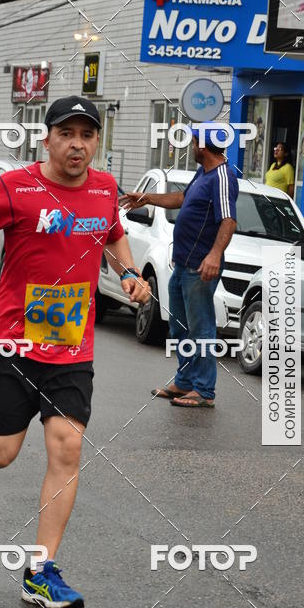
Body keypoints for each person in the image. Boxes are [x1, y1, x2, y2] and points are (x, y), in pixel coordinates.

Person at [0, 96, 150, 608]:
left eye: (87, 135)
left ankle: (40, 571)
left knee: (67, 449)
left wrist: (128, 273)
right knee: (2, 452)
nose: (77, 145)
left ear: (96, 141)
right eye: (67, 134)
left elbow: (112, 236)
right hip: (14, 342)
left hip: (72, 347)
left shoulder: (104, 188)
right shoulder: (15, 187)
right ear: (46, 139)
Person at [122, 125, 237, 408]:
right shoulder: (204, 173)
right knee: (179, 325)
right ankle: (184, 381)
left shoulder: (222, 176)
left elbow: (228, 220)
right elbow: (182, 199)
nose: (191, 146)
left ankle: (204, 390)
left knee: (201, 327)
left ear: (203, 146)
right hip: (183, 264)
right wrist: (147, 198)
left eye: (194, 142)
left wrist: (214, 255)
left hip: (200, 267)